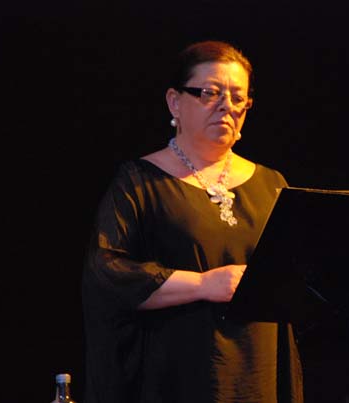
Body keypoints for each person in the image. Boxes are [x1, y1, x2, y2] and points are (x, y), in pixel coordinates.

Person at [81, 40, 303, 403]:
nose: (227, 106)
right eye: (210, 93)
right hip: (179, 372)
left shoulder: (271, 183)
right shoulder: (140, 182)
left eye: (238, 97)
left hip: (257, 368)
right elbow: (107, 273)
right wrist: (202, 283)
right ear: (175, 102)